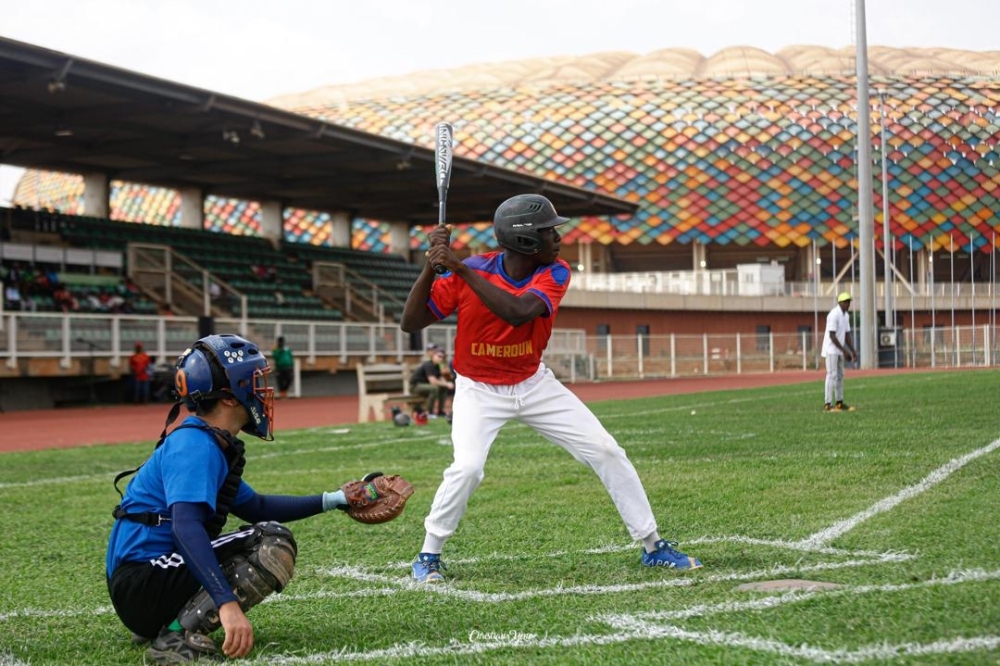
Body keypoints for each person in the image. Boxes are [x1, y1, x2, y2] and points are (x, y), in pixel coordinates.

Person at [400, 193, 702, 583]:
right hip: (479, 390)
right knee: (468, 468)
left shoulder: (555, 271)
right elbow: (411, 321)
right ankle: (428, 555)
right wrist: (432, 267)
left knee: (607, 450)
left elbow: (519, 311)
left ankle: (652, 544)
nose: (558, 238)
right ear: (525, 239)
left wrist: (458, 267)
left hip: (534, 383)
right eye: (549, 231)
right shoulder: (470, 270)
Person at [106, 333, 389, 664]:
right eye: (254, 380)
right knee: (272, 541)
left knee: (264, 528)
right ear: (229, 396)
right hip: (142, 583)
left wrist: (335, 498)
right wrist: (226, 603)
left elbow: (255, 507)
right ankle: (173, 638)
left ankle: (169, 623)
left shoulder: (205, 439)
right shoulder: (195, 445)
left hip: (144, 587)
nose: (260, 390)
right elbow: (185, 528)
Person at [821, 292, 857, 412]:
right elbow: (832, 336)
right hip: (831, 349)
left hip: (839, 350)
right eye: (845, 302)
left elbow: (847, 335)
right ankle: (827, 404)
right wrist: (844, 351)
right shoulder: (833, 314)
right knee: (831, 375)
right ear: (840, 302)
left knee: (840, 375)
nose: (848, 304)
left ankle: (839, 402)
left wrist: (852, 351)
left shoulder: (846, 316)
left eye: (849, 302)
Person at [409, 347, 453, 417]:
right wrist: (447, 384)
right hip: (415, 386)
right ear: (433, 355)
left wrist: (447, 384)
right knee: (434, 388)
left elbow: (440, 378)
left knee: (444, 388)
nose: (441, 359)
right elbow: (433, 381)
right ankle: (430, 412)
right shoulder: (428, 365)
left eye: (442, 357)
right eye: (439, 356)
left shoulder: (437, 366)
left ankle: (440, 411)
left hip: (425, 386)